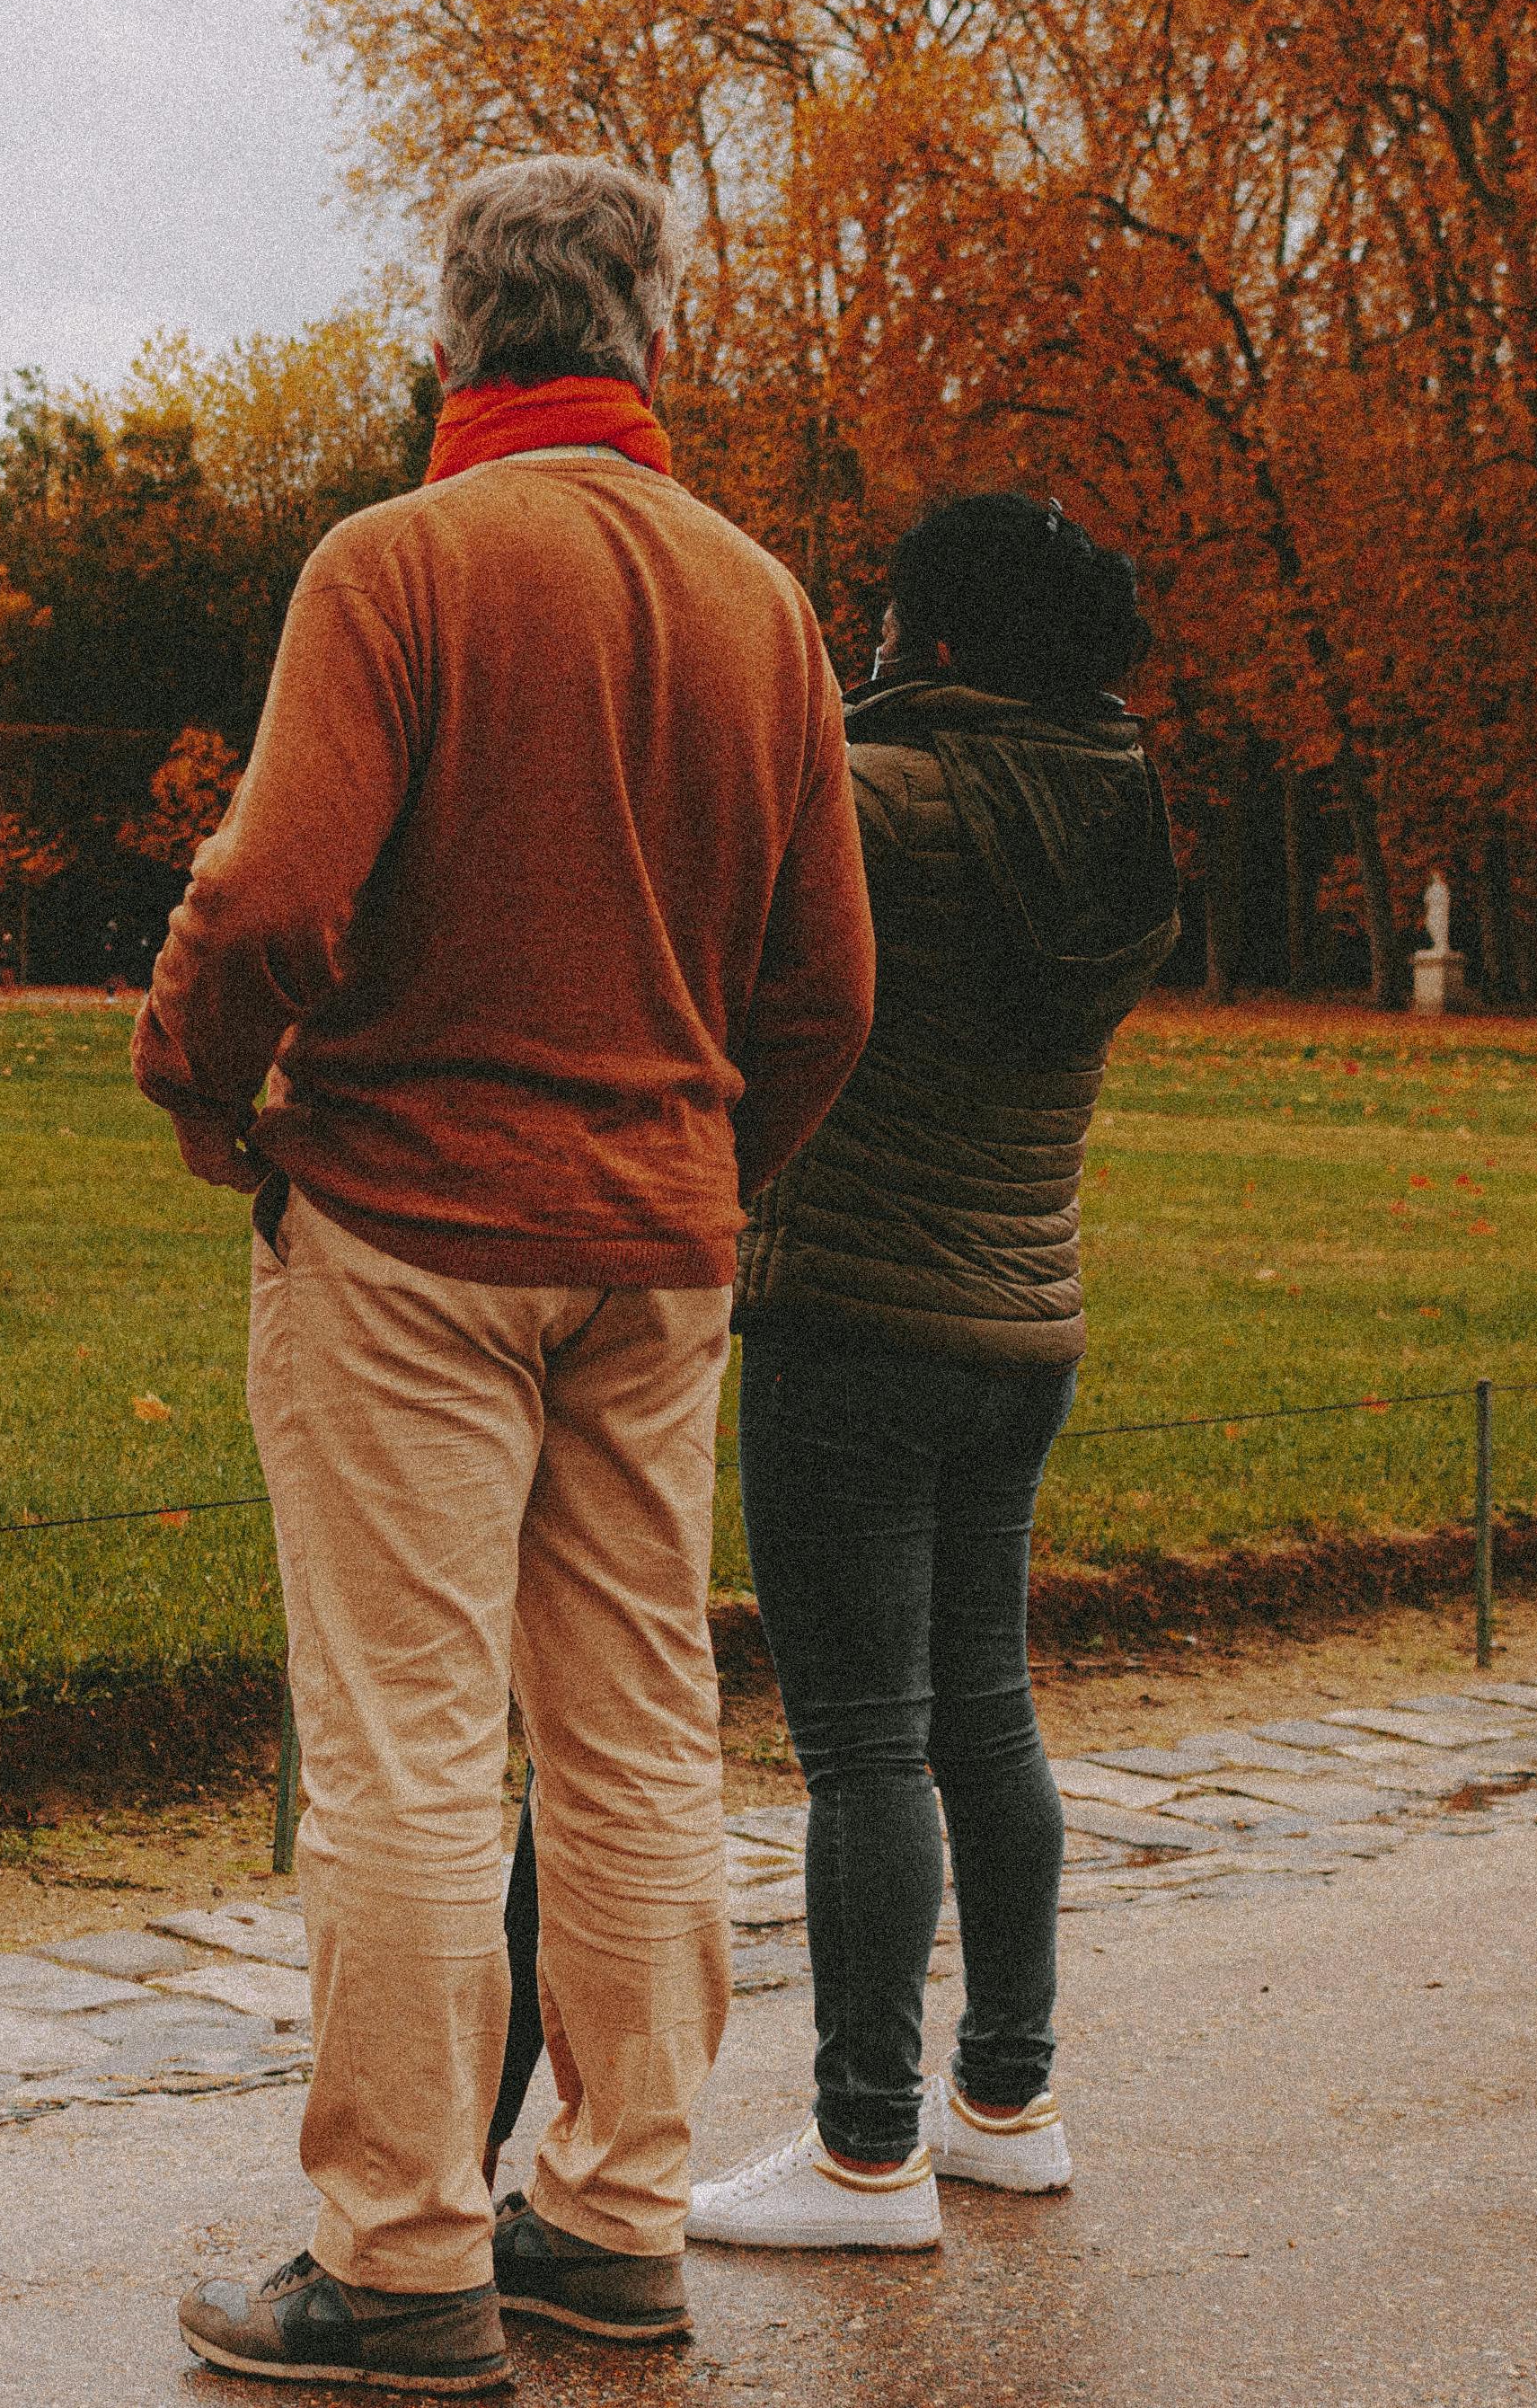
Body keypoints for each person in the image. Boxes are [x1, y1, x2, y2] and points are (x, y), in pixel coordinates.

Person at [144, 155, 875, 2391]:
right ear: (648, 332)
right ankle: (615, 2215)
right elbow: (830, 983)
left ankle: (394, 2252)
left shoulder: (398, 566)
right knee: (639, 1731)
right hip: (654, 1246)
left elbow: (268, 896)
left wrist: (203, 1093)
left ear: (450, 335)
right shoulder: (755, 602)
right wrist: (707, 1159)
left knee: (400, 1752)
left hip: (409, 1227)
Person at [667, 491, 1182, 2250]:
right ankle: (1005, 2099)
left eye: (888, 618)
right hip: (1024, 1317)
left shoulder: (880, 803)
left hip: (855, 1318)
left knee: (862, 1746)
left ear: (939, 640)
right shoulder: (1115, 811)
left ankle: (861, 2148)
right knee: (986, 1711)